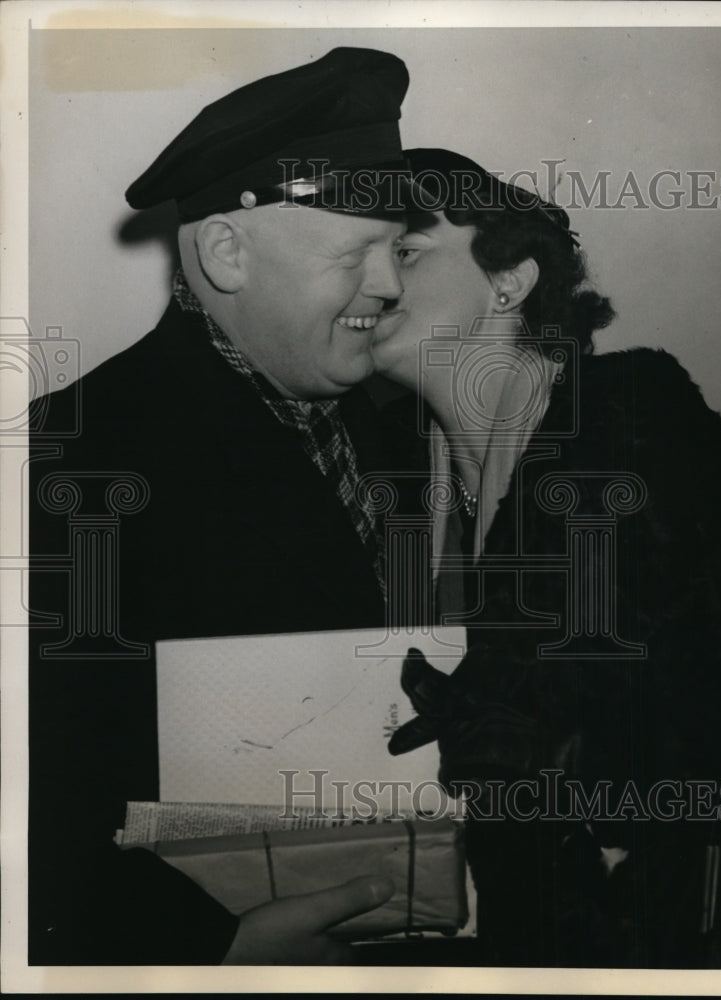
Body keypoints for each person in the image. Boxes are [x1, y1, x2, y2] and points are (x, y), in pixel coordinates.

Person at [27, 47, 419, 966]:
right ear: (226, 251)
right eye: (355, 251)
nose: (392, 284)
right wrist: (210, 949)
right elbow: (37, 789)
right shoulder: (74, 458)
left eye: (396, 248)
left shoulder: (388, 428)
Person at [373, 148, 721, 967]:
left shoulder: (629, 415)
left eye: (405, 248)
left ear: (508, 279)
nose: (373, 276)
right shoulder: (400, 486)